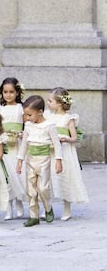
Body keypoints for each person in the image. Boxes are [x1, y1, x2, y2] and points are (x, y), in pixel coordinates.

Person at [16, 95, 63, 227]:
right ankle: (33, 216)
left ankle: (48, 208)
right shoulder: (28, 126)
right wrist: (20, 160)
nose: (27, 118)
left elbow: (57, 144)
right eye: (25, 115)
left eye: (29, 114)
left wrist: (59, 160)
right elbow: (24, 144)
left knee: (43, 188)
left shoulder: (49, 126)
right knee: (31, 190)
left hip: (43, 161)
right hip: (30, 160)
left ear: (40, 112)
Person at [45, 87, 89, 220]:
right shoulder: (48, 116)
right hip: (51, 152)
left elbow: (74, 137)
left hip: (64, 151)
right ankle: (47, 209)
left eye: (50, 101)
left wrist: (66, 139)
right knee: (48, 178)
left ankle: (67, 209)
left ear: (59, 103)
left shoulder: (68, 118)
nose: (48, 103)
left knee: (65, 177)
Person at [0, 77, 26, 220]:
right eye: (5, 92)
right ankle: (8, 208)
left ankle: (19, 202)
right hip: (5, 147)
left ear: (17, 93)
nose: (8, 95)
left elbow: (27, 125)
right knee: (6, 177)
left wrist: (21, 134)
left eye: (11, 92)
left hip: (18, 146)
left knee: (18, 175)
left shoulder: (21, 109)